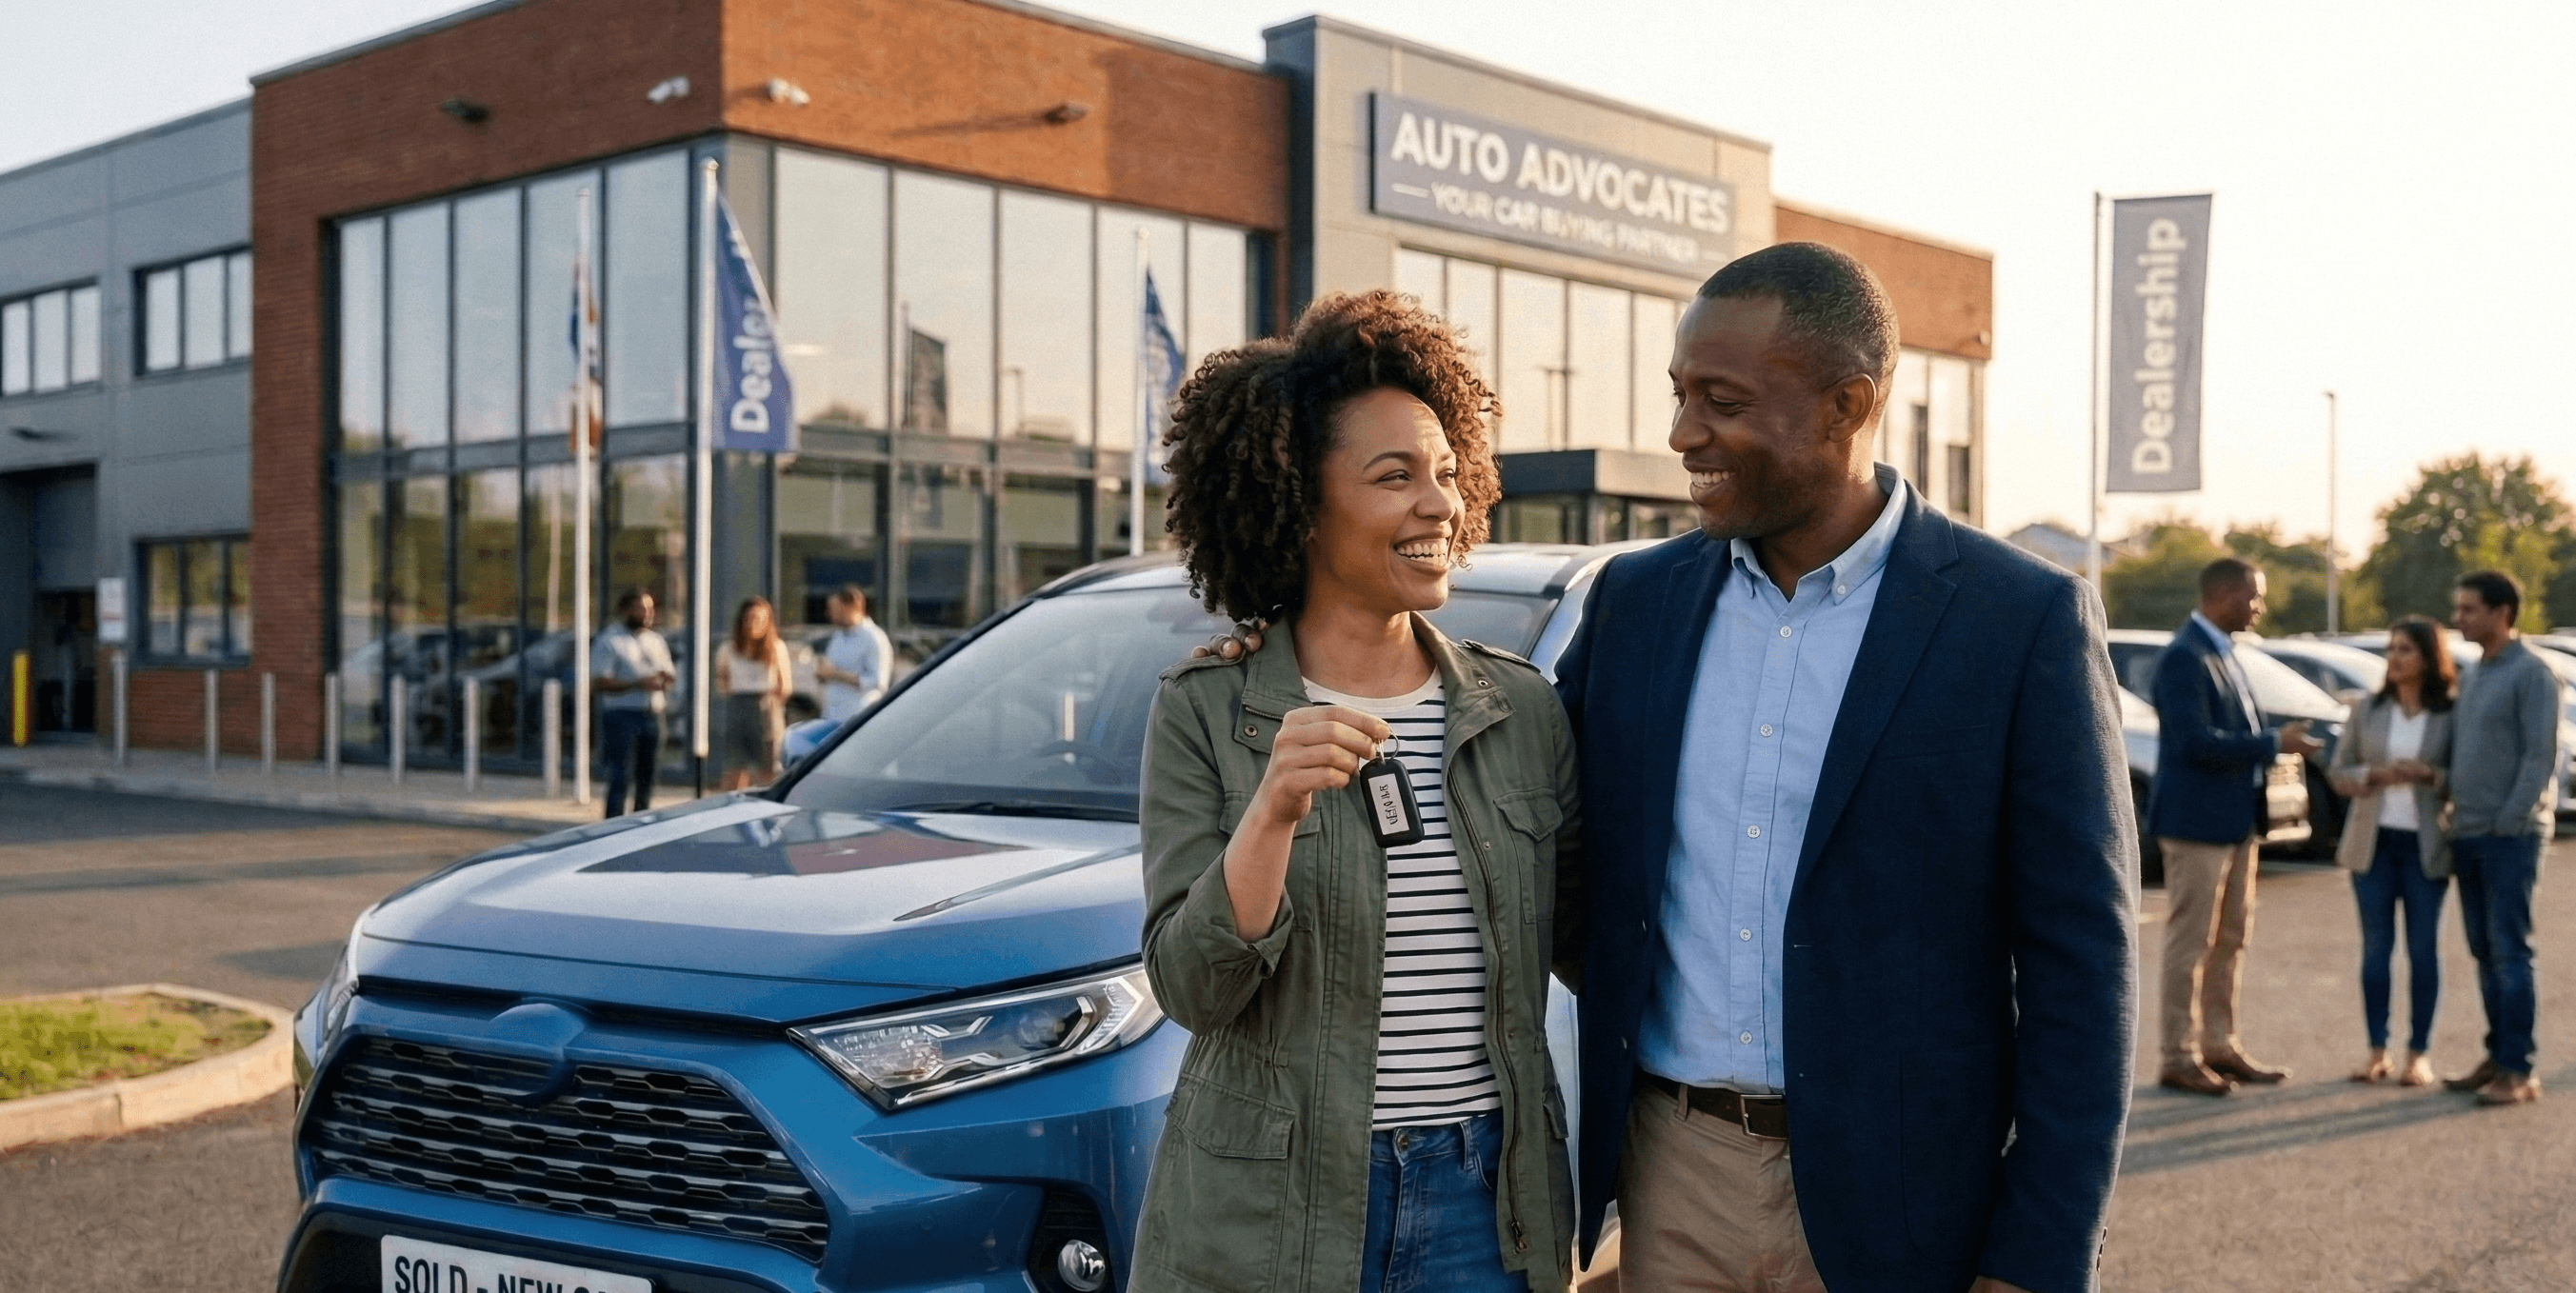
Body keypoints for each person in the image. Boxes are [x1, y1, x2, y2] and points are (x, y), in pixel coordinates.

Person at [1549, 243, 2134, 1293]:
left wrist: (2036, 1255)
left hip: (1908, 1196)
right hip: (1668, 1174)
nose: (1682, 434)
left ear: (1842, 404)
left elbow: (2078, 971)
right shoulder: (1632, 605)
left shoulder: (2016, 619)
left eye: (1719, 400)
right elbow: (1560, 865)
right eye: (1679, 395)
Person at [1133, 291, 1580, 1293]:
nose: (1440, 505)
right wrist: (1272, 810)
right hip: (1268, 1201)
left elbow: (1604, 941)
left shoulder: (1519, 710)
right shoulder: (1206, 708)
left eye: (1448, 473)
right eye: (1395, 477)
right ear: (1300, 499)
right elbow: (1193, 987)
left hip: (1482, 1197)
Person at [2146, 558, 2322, 1097]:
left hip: (2234, 821)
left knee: (2230, 938)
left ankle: (2220, 1046)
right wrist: (2274, 743)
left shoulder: (2223, 651)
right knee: (2191, 940)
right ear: (2222, 595)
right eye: (2253, 596)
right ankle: (2179, 1054)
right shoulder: (2184, 658)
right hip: (2196, 825)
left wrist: (2271, 739)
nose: (2260, 606)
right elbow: (2194, 742)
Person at [2442, 569, 2565, 1105]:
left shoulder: (2534, 673)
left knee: (2511, 952)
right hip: (2468, 833)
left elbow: (2541, 757)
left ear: (2501, 613)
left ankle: (2519, 1070)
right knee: (2485, 952)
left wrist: (2508, 820)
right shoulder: (2474, 673)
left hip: (2508, 837)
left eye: (2469, 609)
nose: (2458, 619)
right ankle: (2497, 1056)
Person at [2327, 616, 2456, 1086]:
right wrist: (2373, 776)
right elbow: (2338, 773)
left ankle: (2418, 1055)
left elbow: (2458, 777)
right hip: (2373, 845)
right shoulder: (2368, 709)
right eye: (2391, 649)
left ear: (2428, 657)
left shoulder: (2448, 713)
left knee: (2424, 952)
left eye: (2405, 649)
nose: (2395, 658)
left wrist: (2429, 775)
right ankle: (2376, 1051)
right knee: (2376, 951)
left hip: (2425, 845)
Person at [591, 587, 675, 818]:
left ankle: (641, 824)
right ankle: (612, 829)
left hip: (653, 714)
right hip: (622, 716)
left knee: (648, 777)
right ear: (625, 610)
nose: (648, 613)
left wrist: (666, 678)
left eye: (650, 609)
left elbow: (668, 671)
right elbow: (598, 682)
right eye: (641, 608)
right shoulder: (610, 640)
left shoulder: (656, 640)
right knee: (620, 777)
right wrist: (637, 684)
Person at [715, 595, 792, 791]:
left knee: (768, 769)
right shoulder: (729, 648)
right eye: (749, 618)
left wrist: (770, 706)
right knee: (734, 768)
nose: (753, 624)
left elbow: (785, 686)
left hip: (766, 706)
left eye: (759, 619)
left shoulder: (776, 647)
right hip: (739, 706)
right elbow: (721, 681)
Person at [814, 585, 893, 722]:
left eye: (835, 609)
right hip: (833, 716)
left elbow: (878, 682)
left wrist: (836, 675)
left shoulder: (873, 638)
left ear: (851, 606)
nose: (829, 614)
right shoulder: (839, 635)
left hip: (858, 719)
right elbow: (831, 670)